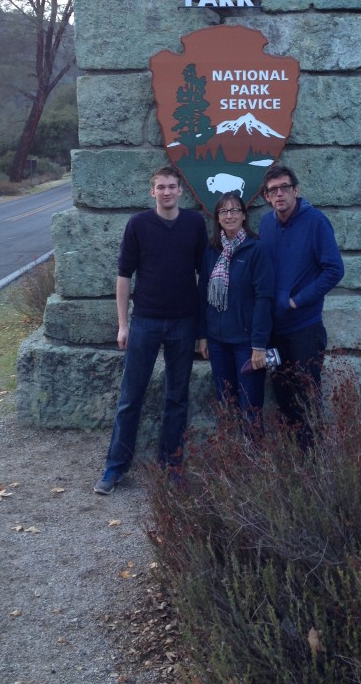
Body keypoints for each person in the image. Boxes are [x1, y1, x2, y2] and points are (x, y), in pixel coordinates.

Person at [94, 165, 208, 494]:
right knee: (131, 397)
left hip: (184, 323)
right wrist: (123, 324)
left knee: (177, 397)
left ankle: (171, 465)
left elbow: (204, 276)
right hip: (145, 320)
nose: (167, 192)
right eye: (161, 187)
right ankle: (115, 468)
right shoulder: (138, 225)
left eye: (172, 186)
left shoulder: (194, 224)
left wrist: (201, 328)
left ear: (181, 191)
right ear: (152, 192)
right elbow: (123, 276)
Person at [258, 164, 344, 449]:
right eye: (273, 190)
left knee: (307, 394)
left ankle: (314, 465)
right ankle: (293, 460)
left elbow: (334, 270)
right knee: (283, 395)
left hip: (304, 329)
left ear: (296, 190)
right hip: (274, 331)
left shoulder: (316, 222)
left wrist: (297, 300)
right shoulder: (266, 224)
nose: (279, 194)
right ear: (267, 197)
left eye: (284, 188)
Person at [197, 191, 274, 426]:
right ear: (217, 217)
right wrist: (202, 335)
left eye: (234, 210)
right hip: (218, 342)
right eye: (223, 211)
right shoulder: (212, 251)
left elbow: (264, 298)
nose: (229, 215)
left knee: (250, 407)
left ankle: (254, 461)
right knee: (226, 405)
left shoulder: (256, 249)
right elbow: (202, 295)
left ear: (243, 216)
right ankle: (232, 460)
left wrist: (259, 345)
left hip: (247, 343)